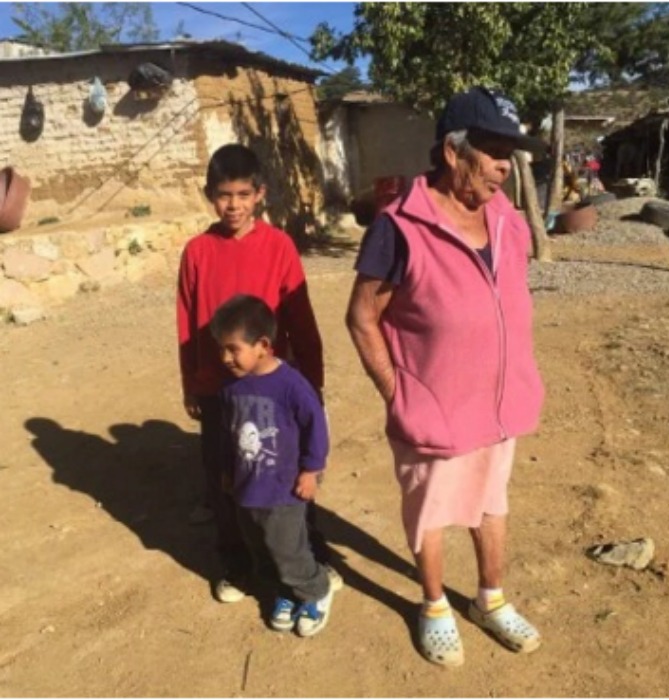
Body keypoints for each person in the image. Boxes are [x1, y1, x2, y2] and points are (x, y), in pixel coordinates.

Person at [346, 86, 546, 667]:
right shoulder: (398, 226)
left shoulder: (506, 218)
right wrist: (398, 391)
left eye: (510, 152)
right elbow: (362, 317)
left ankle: (490, 598)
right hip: (431, 408)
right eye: (493, 151)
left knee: (491, 504)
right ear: (453, 152)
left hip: (498, 404)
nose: (505, 165)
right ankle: (434, 605)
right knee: (432, 511)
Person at [177, 144, 337, 603]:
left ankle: (310, 555)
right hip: (217, 389)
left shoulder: (278, 246)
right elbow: (187, 324)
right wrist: (192, 381)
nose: (233, 205)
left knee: (285, 475)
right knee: (225, 478)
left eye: (243, 194)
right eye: (223, 195)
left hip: (273, 392)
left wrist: (313, 379)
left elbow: (300, 316)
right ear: (209, 195)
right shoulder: (197, 252)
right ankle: (237, 563)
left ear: (260, 194)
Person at [210, 294, 334, 636]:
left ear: (263, 345)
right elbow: (227, 432)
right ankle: (285, 591)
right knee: (260, 546)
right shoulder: (230, 386)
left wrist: (311, 470)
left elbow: (316, 427)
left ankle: (315, 590)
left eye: (233, 349)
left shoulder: (291, 384)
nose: (225, 357)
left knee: (287, 546)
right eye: (220, 348)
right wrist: (226, 470)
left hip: (284, 487)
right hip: (246, 487)